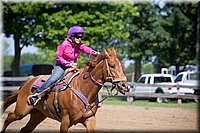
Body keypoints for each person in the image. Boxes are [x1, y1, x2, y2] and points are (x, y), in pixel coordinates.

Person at [28, 25, 99, 106]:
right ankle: (36, 95)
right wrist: (68, 63)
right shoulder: (63, 45)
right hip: (61, 66)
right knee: (53, 79)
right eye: (77, 36)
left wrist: (95, 53)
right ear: (71, 36)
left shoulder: (79, 45)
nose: (79, 39)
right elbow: (58, 58)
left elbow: (86, 49)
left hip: (73, 67)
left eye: (81, 37)